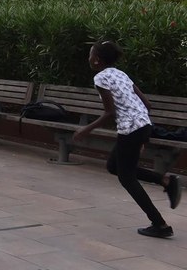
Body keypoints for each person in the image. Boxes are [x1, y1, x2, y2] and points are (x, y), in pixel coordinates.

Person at [73, 41, 182, 238]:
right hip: (143, 125)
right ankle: (165, 180)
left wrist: (85, 130)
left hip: (131, 129)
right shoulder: (120, 73)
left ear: (97, 60)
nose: (88, 58)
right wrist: (142, 136)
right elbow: (147, 104)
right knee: (114, 166)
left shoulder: (101, 78)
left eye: (90, 54)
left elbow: (109, 112)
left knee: (126, 177)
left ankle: (160, 224)